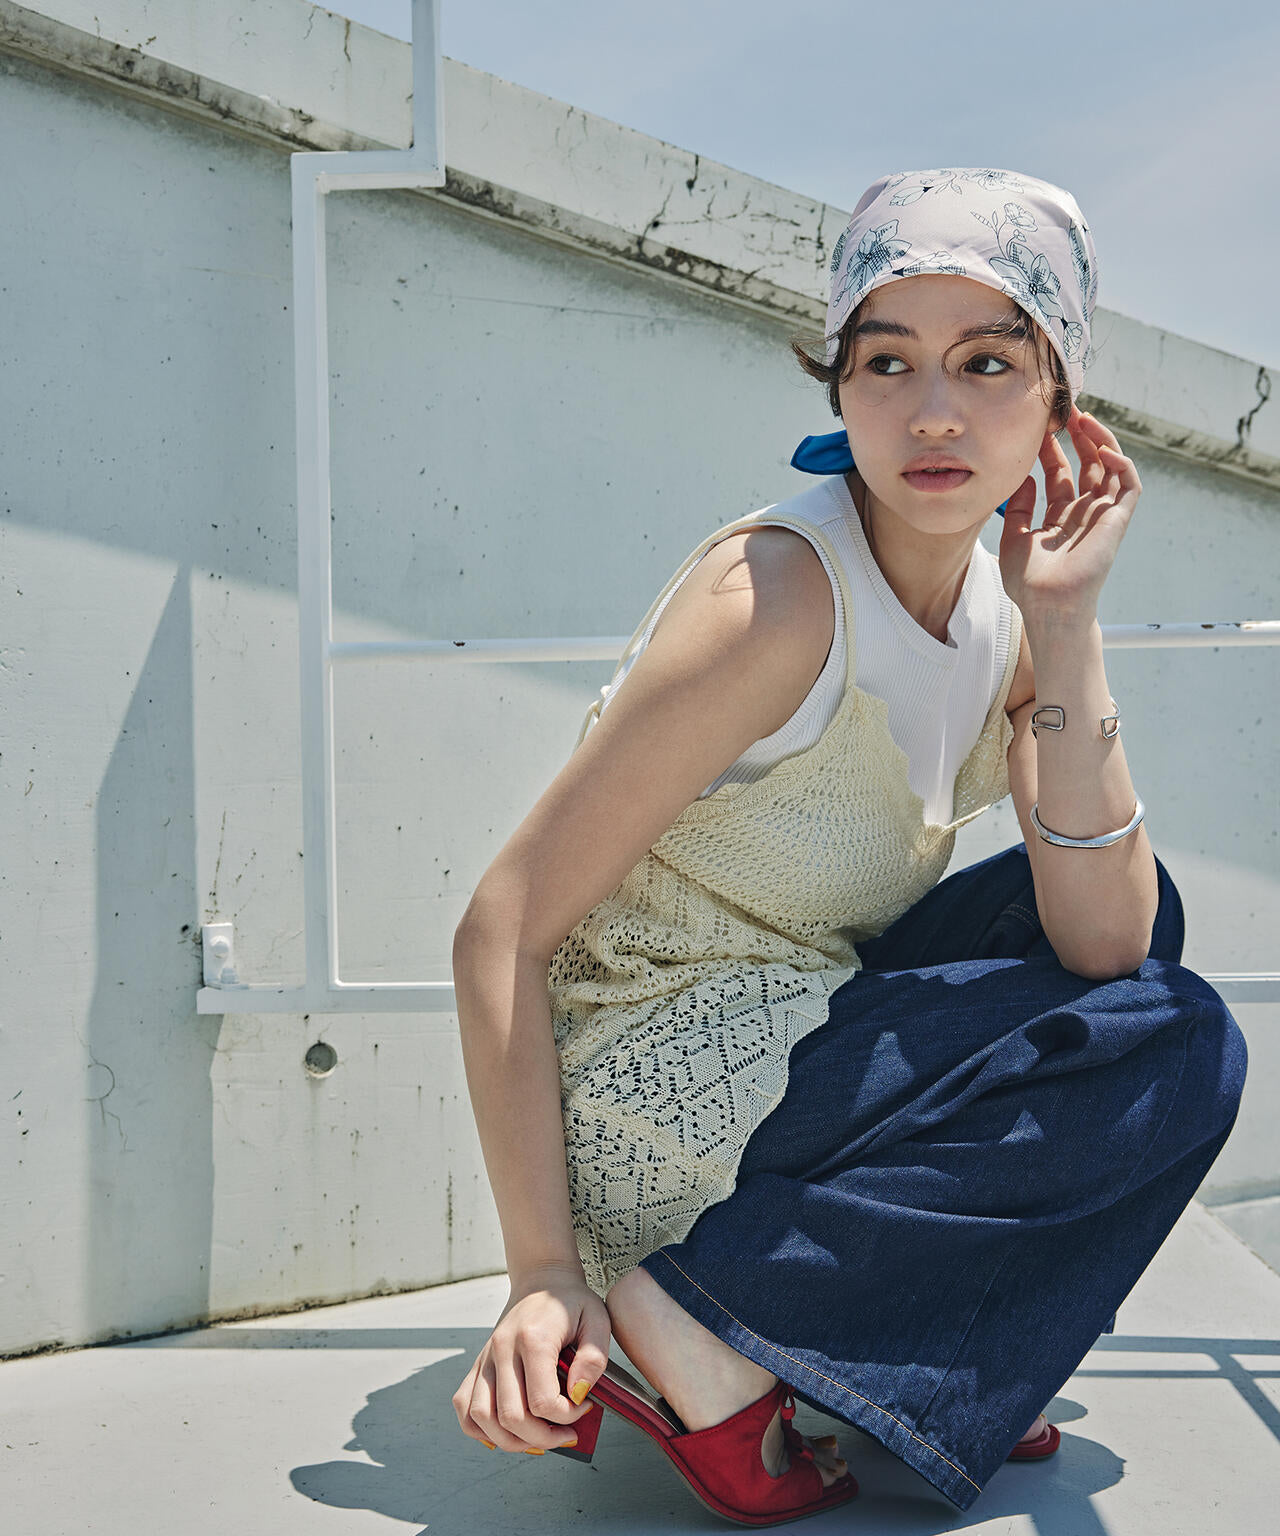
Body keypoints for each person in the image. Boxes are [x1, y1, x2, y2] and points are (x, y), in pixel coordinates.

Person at [449, 166, 1248, 1523]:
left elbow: (1106, 944)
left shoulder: (1002, 609)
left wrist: (1065, 622)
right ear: (840, 388)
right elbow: (503, 928)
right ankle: (692, 1326)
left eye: (987, 362)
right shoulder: (776, 598)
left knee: (1133, 919)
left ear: (1061, 401)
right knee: (1178, 1042)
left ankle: (909, 1336)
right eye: (887, 362)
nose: (932, 412)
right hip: (648, 1078)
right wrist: (540, 1273)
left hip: (807, 1025)